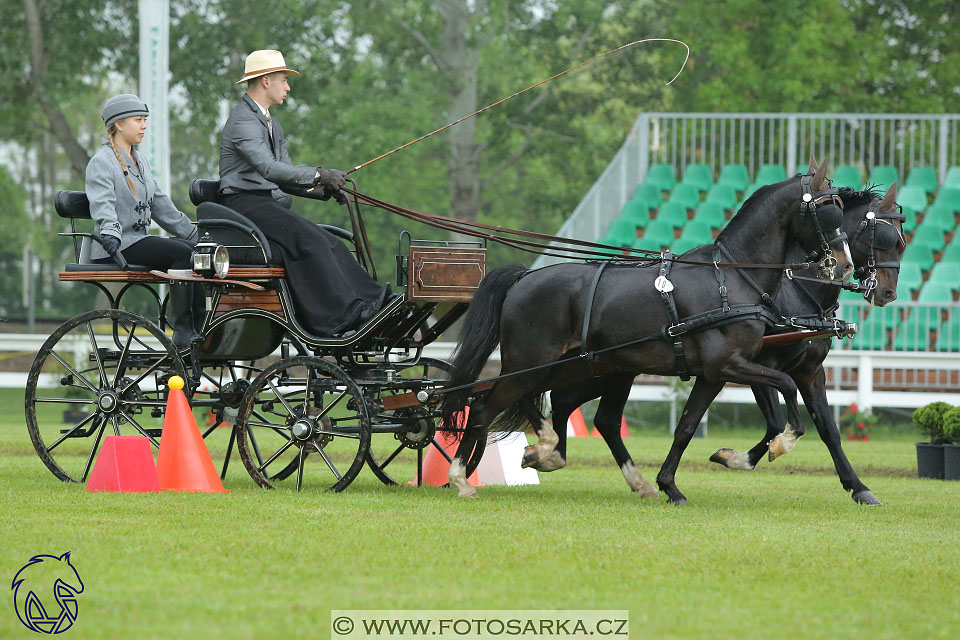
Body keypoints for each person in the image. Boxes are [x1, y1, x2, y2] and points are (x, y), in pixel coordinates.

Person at [218, 49, 390, 337]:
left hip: (264, 203)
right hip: (242, 204)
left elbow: (286, 180)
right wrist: (321, 174)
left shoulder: (272, 124)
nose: (287, 87)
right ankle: (342, 317)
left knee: (331, 242)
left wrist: (324, 190)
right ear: (265, 81)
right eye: (283, 80)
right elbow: (271, 170)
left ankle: (372, 302)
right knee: (311, 242)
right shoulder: (244, 122)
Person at [86, 93, 202, 349]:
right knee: (181, 255)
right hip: (117, 245)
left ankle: (200, 329)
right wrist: (111, 233)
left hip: (138, 241)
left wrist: (197, 236)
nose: (144, 125)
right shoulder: (101, 162)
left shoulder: (141, 162)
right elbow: (103, 206)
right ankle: (183, 330)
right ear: (118, 124)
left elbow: (162, 207)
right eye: (138, 120)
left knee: (195, 252)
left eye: (145, 120)